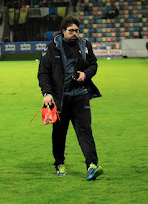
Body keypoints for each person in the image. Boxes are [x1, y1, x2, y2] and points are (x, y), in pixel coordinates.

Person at [38, 15, 103, 181]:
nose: (74, 33)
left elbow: (93, 64)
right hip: (60, 98)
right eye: (71, 31)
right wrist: (47, 93)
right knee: (59, 133)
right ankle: (59, 163)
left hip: (80, 96)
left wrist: (85, 74)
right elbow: (43, 73)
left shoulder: (85, 45)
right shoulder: (52, 47)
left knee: (85, 131)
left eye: (76, 30)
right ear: (63, 31)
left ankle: (92, 165)